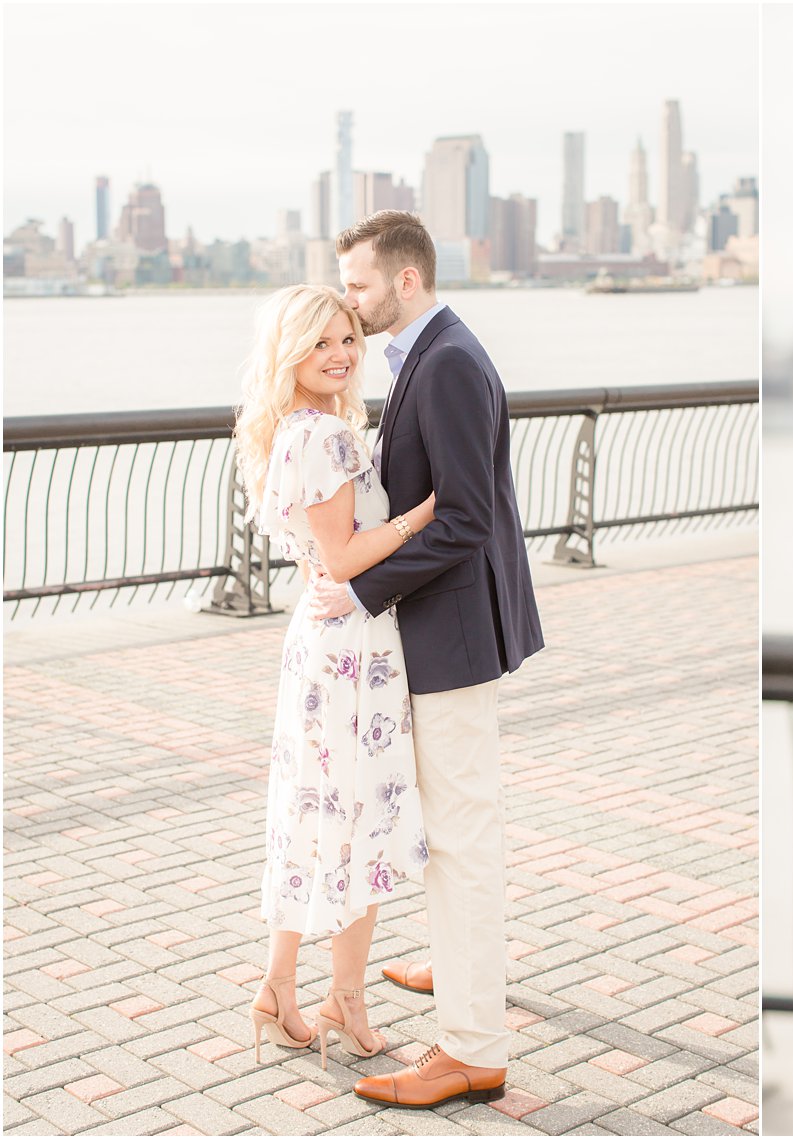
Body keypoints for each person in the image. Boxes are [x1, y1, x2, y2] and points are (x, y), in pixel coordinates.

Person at [305, 210, 545, 1109]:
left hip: (451, 633)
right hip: (448, 626)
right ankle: (459, 971)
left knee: (463, 838)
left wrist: (362, 588)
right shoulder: (438, 350)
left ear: (406, 280)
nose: (351, 302)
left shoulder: (444, 362)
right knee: (457, 831)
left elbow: (466, 517)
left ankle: (473, 1047)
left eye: (360, 287)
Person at [233, 284, 434, 1071]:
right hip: (352, 649)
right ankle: (340, 999)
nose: (342, 354)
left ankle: (282, 987)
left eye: (347, 338)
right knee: (361, 821)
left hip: (325, 645)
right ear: (292, 354)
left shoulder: (298, 430)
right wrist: (424, 513)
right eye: (321, 344)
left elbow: (330, 554)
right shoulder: (327, 437)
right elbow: (345, 558)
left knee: (315, 816)